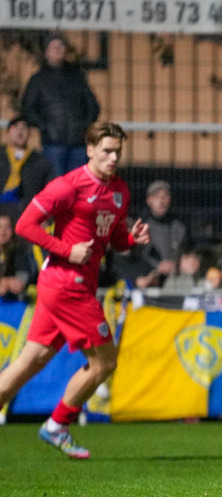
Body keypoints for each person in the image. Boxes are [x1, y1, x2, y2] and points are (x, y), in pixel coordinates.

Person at [0, 121, 150, 458]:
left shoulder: (119, 192)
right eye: (107, 150)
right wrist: (67, 250)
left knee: (29, 362)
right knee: (105, 362)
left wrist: (131, 239)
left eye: (118, 152)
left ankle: (56, 426)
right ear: (90, 150)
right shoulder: (68, 186)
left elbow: (110, 241)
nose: (113, 158)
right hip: (67, 285)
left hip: (72, 285)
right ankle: (57, 425)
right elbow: (25, 224)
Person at [21, 34, 101, 175]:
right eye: (54, 47)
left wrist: (84, 126)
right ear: (46, 52)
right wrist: (44, 126)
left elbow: (93, 106)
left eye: (61, 46)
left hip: (78, 141)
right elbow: (28, 108)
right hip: (53, 142)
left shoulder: (77, 77)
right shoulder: (38, 80)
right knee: (56, 184)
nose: (58, 50)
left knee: (78, 183)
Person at [0, 115, 55, 216]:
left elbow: (49, 192)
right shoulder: (2, 156)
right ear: (7, 133)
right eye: (15, 127)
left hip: (27, 212)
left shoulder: (40, 162)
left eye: (24, 127)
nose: (20, 131)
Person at [142, 180, 189, 285]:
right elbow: (139, 257)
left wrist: (178, 264)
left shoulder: (179, 227)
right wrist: (158, 266)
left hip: (176, 279)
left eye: (164, 197)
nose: (161, 201)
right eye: (157, 197)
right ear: (149, 201)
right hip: (150, 280)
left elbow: (186, 252)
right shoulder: (142, 227)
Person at [0, 212, 38, 301]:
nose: (2, 232)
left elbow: (19, 282)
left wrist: (6, 283)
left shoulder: (20, 252)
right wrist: (6, 282)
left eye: (7, 227)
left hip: (15, 304)